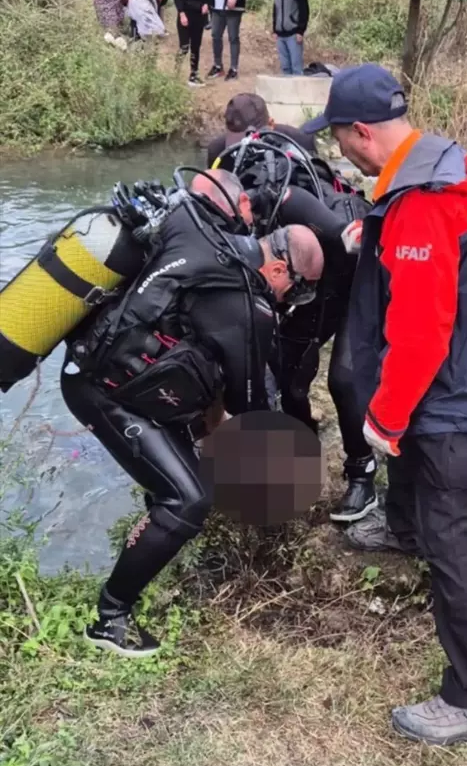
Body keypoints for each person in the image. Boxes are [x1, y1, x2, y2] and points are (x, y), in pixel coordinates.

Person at [302, 63, 467, 746]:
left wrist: (384, 415)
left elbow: (423, 332)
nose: (336, 147)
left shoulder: (425, 200)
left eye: (337, 136)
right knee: (411, 476)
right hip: (458, 376)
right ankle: (400, 527)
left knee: (453, 535)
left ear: (361, 131)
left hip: (453, 396)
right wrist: (380, 237)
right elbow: (427, 259)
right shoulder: (427, 171)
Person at [61, 190, 324, 658]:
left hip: (112, 375)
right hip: (104, 391)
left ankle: (151, 555)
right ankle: (109, 617)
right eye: (298, 289)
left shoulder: (218, 245)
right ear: (279, 268)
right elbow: (249, 410)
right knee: (187, 498)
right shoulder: (250, 308)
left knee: (179, 477)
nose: (294, 300)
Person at [211, 132, 378, 522]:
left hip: (348, 271)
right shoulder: (220, 218)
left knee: (342, 378)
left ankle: (361, 473)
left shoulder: (286, 200)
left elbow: (349, 247)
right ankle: (296, 457)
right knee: (284, 374)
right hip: (298, 273)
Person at [206, 93, 316, 166]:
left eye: (253, 139)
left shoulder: (299, 142)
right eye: (238, 141)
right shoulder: (218, 151)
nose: (246, 147)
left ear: (271, 124)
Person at [173, 0, 210, 86]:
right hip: (186, 15)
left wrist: (206, 4)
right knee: (184, 46)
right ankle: (175, 74)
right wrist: (181, 14)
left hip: (199, 17)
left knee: (196, 46)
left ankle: (193, 75)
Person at [273, 0, 309, 76]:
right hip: (280, 36)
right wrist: (275, 29)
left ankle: (299, 93)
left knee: (296, 68)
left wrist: (300, 31)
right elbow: (276, 9)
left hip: (294, 35)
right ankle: (287, 93)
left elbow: (304, 10)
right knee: (285, 68)